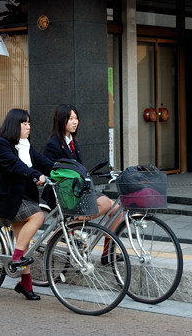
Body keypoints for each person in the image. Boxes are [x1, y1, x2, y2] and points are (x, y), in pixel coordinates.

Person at [0, 108, 54, 301]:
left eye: (29, 123)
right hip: (1, 200)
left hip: (18, 199)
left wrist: (61, 170)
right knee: (38, 216)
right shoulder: (1, 144)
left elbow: (43, 161)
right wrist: (34, 174)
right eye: (24, 123)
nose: (29, 127)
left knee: (23, 242)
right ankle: (16, 259)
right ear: (15, 125)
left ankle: (25, 285)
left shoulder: (24, 145)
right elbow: (15, 165)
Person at [42, 104, 123, 265]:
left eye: (76, 118)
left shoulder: (73, 142)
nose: (75, 122)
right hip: (65, 194)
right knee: (107, 204)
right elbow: (51, 171)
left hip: (79, 190)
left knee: (117, 211)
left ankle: (108, 253)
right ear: (61, 120)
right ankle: (71, 226)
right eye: (70, 118)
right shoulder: (53, 144)